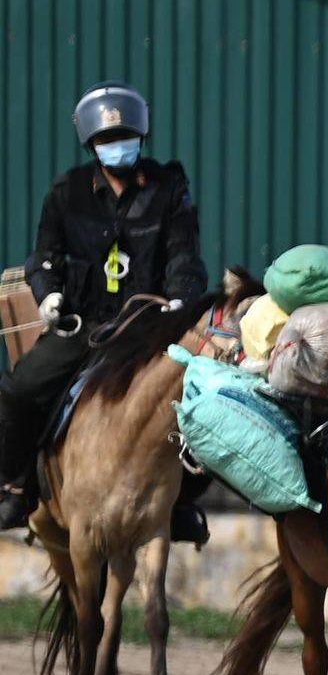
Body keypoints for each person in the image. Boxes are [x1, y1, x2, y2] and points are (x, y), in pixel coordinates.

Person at [0, 83, 209, 541]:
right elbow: (45, 255)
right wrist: (49, 295)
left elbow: (185, 256)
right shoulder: (66, 191)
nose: (118, 146)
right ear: (91, 145)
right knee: (21, 387)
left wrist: (180, 298)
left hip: (149, 329)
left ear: (142, 136)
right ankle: (16, 487)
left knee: (203, 399)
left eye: (127, 136)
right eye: (107, 141)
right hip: (83, 324)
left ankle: (181, 503)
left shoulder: (170, 188)